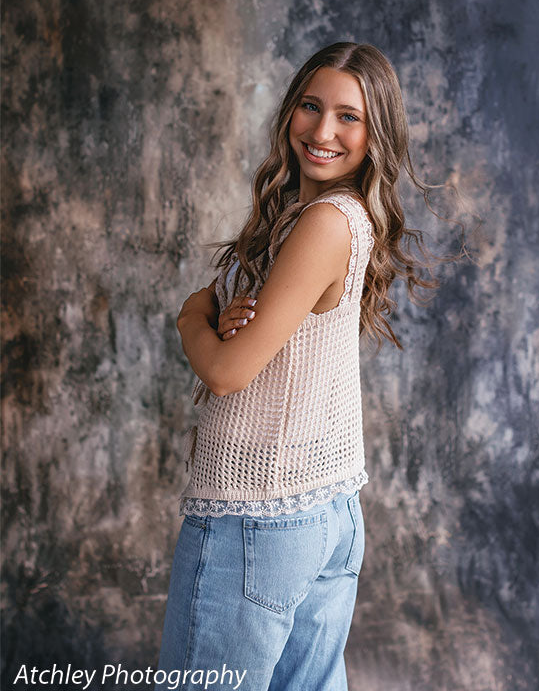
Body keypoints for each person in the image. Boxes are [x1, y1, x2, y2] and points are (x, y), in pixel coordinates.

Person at [154, 42, 465, 691]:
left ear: (377, 132)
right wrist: (233, 317)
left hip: (258, 519)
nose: (323, 131)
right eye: (310, 106)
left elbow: (226, 373)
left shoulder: (325, 223)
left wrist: (192, 319)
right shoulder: (325, 215)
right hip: (320, 509)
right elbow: (270, 352)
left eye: (349, 117)